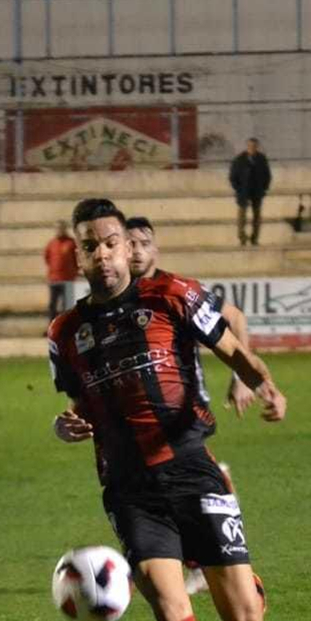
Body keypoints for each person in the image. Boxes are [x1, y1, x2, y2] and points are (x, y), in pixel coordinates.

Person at [49, 198, 288, 621]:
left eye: (110, 242)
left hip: (190, 467)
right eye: (90, 245)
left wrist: (267, 387)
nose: (102, 254)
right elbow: (78, 405)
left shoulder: (174, 295)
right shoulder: (65, 333)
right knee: (170, 608)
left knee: (247, 620)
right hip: (128, 489)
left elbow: (233, 348)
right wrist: (66, 425)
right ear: (76, 255)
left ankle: (226, 570)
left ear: (127, 246)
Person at [125, 213, 253, 596]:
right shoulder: (111, 299)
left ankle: (206, 560)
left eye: (144, 243)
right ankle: (170, 558)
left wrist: (240, 377)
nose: (136, 250)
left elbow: (234, 317)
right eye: (129, 243)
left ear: (156, 249)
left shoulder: (174, 290)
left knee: (191, 479)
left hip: (185, 411)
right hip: (138, 420)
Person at [228, 137, 272, 247]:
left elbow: (267, 175)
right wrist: (238, 189)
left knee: (256, 216)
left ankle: (254, 238)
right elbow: (233, 177)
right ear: (247, 146)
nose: (252, 148)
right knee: (242, 217)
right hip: (243, 192)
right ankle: (242, 238)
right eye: (250, 146)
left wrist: (264, 188)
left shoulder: (261, 159)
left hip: (257, 191)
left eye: (254, 146)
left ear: (257, 147)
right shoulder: (239, 159)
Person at [44, 220, 80, 319]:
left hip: (68, 279)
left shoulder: (71, 243)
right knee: (52, 305)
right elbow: (47, 258)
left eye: (61, 228)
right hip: (54, 279)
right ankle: (51, 327)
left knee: (67, 305)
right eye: (57, 229)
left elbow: (77, 258)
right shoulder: (51, 244)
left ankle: (65, 327)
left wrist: (74, 271)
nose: (59, 230)